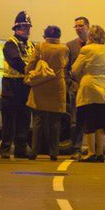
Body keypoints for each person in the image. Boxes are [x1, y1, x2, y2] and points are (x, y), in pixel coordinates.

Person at [72, 25, 105, 163]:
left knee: (89, 121)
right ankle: (100, 152)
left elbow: (75, 70)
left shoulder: (86, 49)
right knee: (101, 123)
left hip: (90, 88)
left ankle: (90, 153)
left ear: (90, 36)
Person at [26, 25, 69, 161]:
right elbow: (65, 64)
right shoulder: (64, 49)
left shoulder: (40, 47)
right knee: (54, 123)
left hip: (41, 86)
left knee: (38, 122)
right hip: (57, 87)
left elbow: (31, 64)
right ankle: (54, 152)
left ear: (45, 36)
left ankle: (34, 152)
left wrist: (28, 73)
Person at [0, 11, 35, 159]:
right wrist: (30, 70)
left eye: (28, 26)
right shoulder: (10, 44)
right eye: (24, 26)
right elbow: (15, 61)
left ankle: (21, 148)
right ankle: (6, 148)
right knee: (9, 119)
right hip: (11, 86)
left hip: (25, 86)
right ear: (17, 27)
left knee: (24, 119)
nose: (27, 29)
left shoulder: (31, 45)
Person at [65, 16, 90, 160]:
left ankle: (94, 150)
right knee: (75, 120)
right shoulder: (70, 46)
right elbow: (66, 67)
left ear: (88, 26)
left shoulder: (93, 45)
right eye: (76, 26)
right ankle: (76, 149)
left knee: (92, 120)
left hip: (90, 88)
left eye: (81, 25)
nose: (78, 28)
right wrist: (69, 83)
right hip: (75, 88)